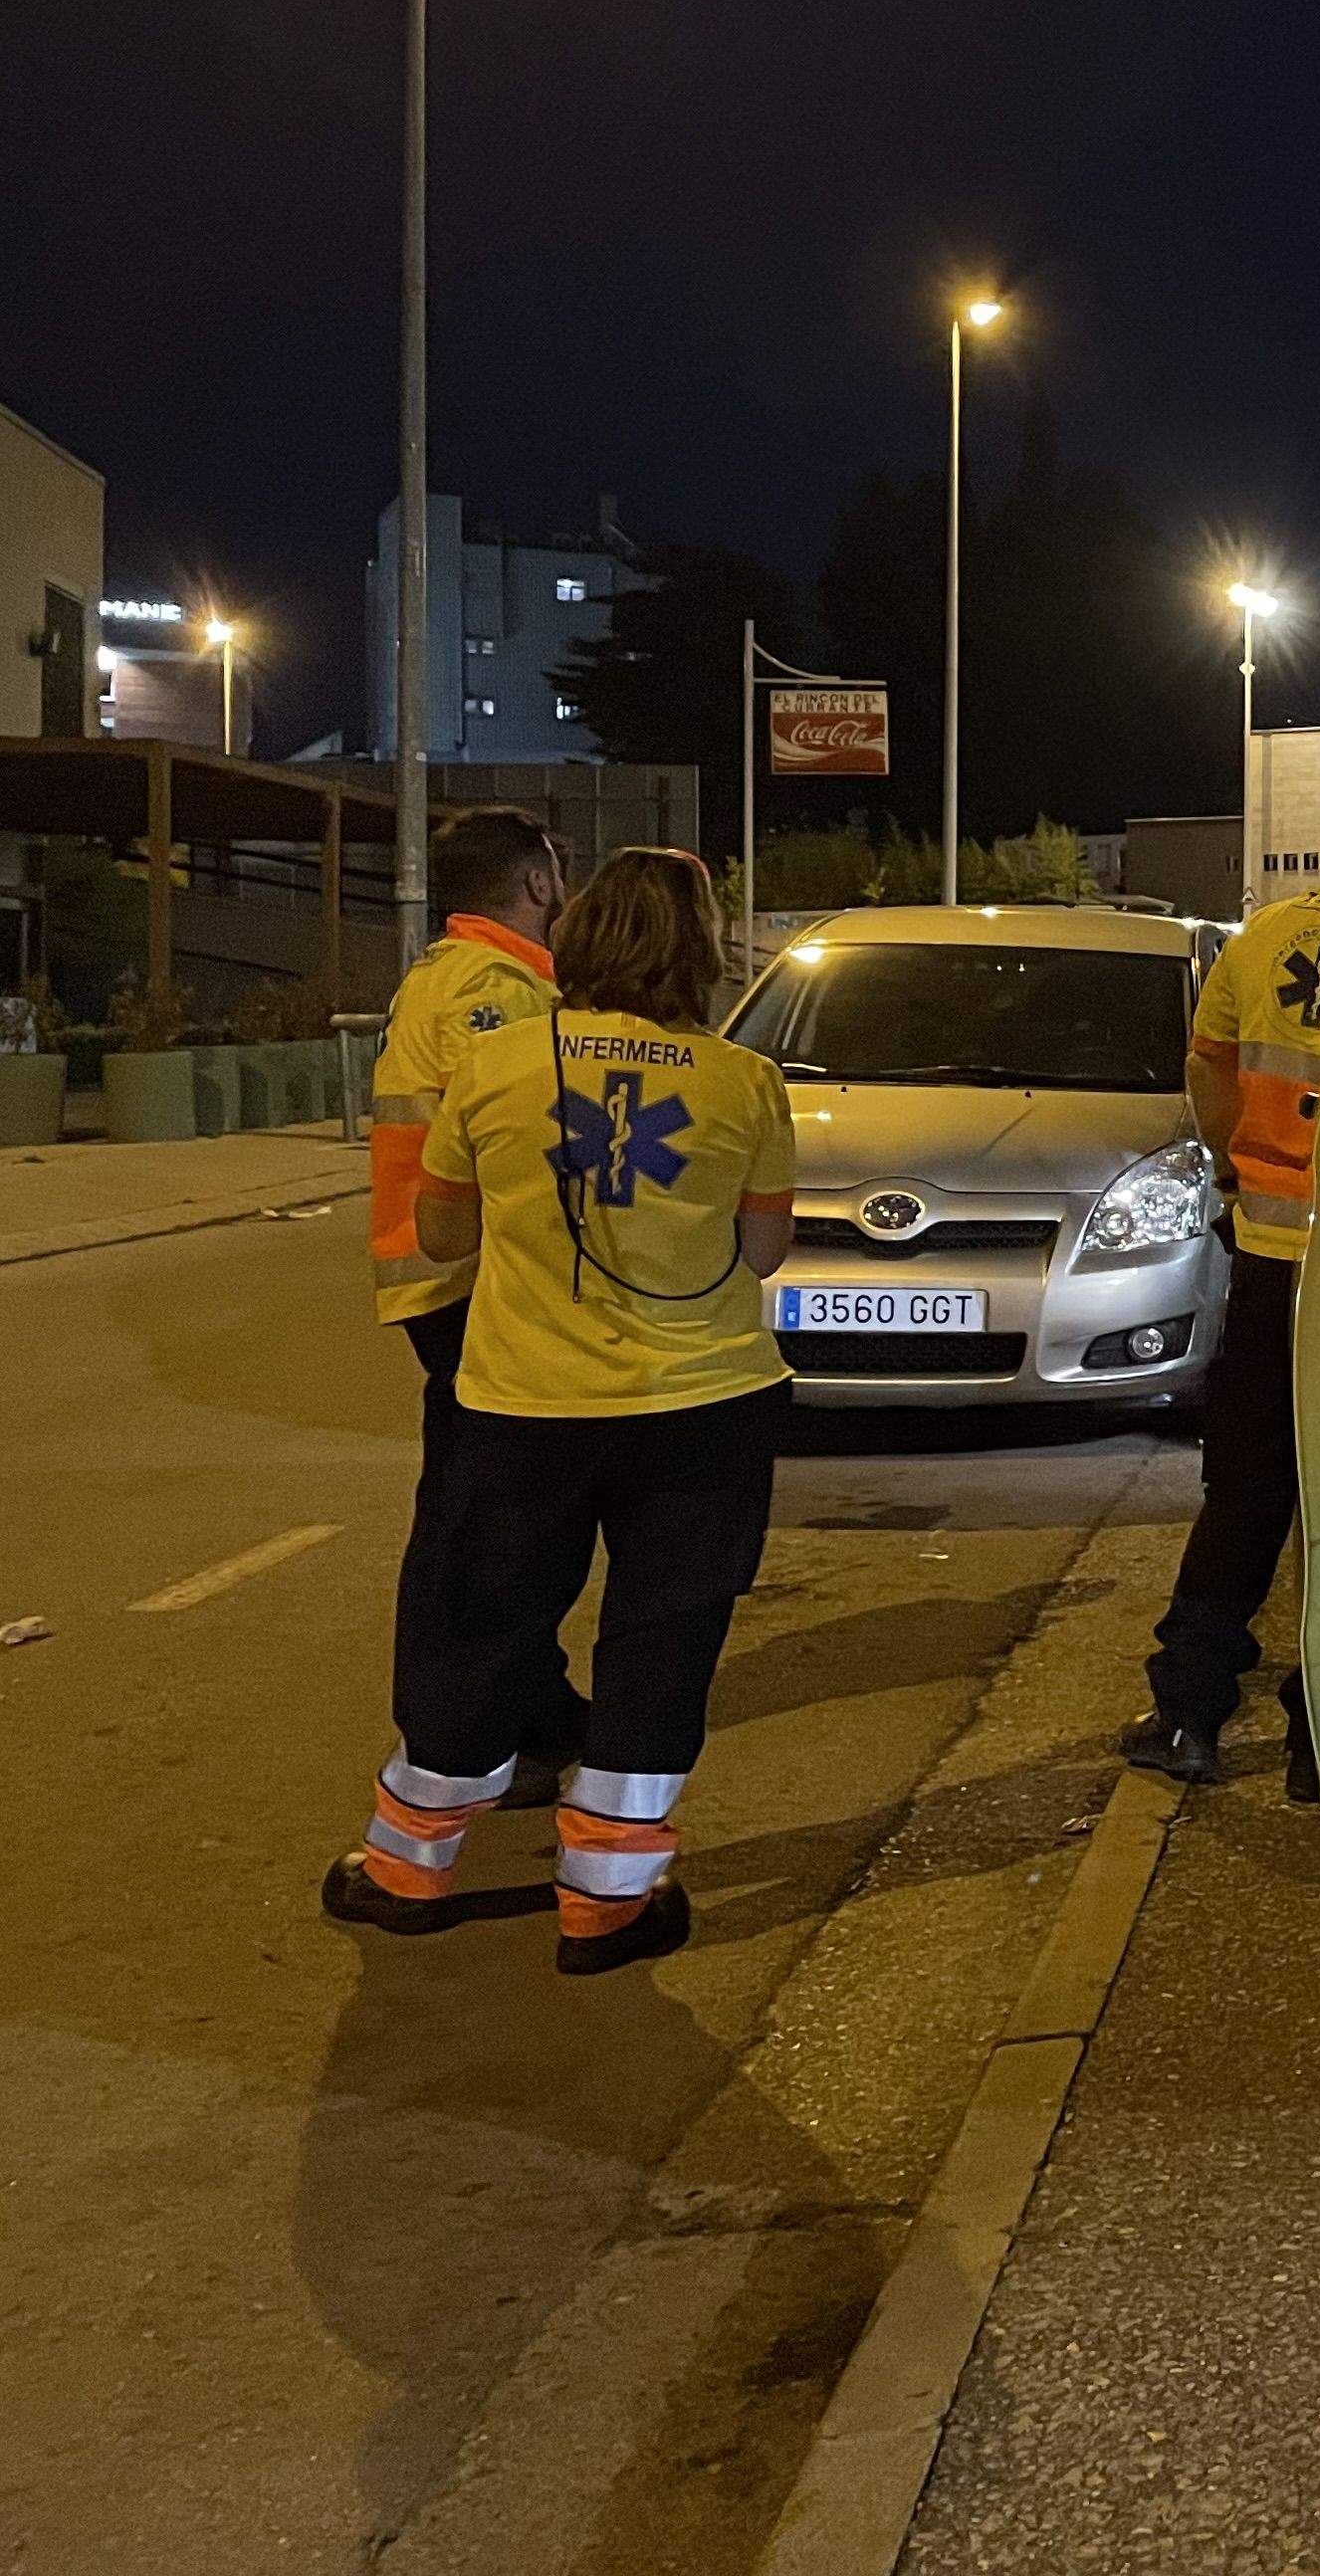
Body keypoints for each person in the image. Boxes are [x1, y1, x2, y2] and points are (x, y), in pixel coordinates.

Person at [322, 848, 800, 1975]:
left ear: (579, 938)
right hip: (703, 1408)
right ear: (701, 949)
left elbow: (442, 1237)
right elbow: (763, 1251)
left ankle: (406, 1867)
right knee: (661, 1640)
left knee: (480, 1623)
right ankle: (604, 1902)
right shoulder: (743, 1081)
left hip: (522, 1407)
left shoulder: (493, 1067)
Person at [1124, 735, 1320, 1799]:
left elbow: (1207, 1075)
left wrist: (1244, 1176)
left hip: (1267, 1259)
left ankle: (1188, 1715)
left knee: (1247, 1491)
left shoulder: (1259, 941)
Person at [364, 804, 586, 1802]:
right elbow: (523, 1146)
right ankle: (461, 1736)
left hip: (460, 1282)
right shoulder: (492, 996)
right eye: (561, 877)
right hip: (470, 1284)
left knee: (509, 1512)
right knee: (477, 1519)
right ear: (538, 885)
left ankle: (528, 1708)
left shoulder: (455, 979)